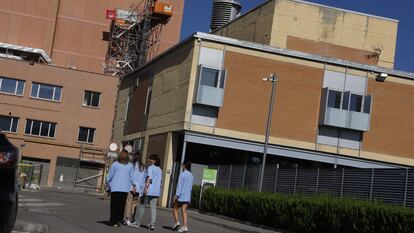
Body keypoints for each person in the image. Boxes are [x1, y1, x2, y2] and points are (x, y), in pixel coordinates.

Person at [131, 154, 162, 230]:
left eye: (150, 159)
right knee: (153, 208)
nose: (149, 160)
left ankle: (138, 223)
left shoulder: (151, 168)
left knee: (142, 206)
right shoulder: (160, 170)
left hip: (149, 190)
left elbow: (149, 178)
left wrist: (145, 188)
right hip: (156, 192)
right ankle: (152, 224)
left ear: (154, 161)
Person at [106, 149, 134, 227]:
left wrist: (107, 182)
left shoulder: (115, 164)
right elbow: (131, 177)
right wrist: (134, 185)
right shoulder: (130, 166)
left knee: (114, 205)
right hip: (125, 188)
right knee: (121, 205)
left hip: (115, 188)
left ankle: (113, 221)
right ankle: (118, 220)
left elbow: (109, 176)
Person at [124, 151, 146, 226]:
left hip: (131, 187)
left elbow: (131, 176)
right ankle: (132, 219)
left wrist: (134, 185)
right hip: (139, 188)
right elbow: (143, 180)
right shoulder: (143, 167)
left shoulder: (132, 165)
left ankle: (127, 219)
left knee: (129, 203)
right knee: (134, 204)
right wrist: (141, 190)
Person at [172, 162, 193, 232]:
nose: (181, 166)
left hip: (181, 196)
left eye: (182, 165)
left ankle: (177, 222)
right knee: (184, 210)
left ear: (184, 166)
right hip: (187, 196)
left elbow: (179, 185)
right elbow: (190, 187)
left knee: (175, 208)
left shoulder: (182, 174)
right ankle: (185, 226)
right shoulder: (191, 175)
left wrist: (176, 195)